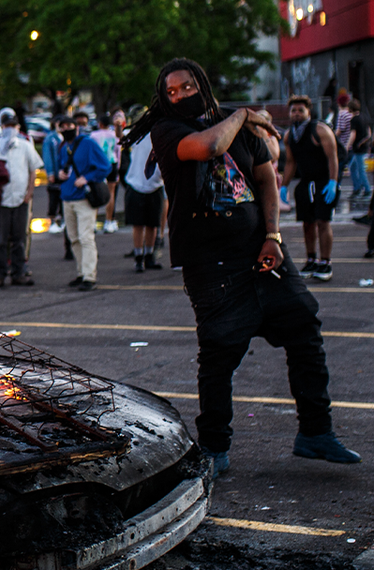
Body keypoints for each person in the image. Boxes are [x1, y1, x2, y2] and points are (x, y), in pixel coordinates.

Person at [126, 57, 358, 477]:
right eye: (171, 91)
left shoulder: (240, 130)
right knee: (219, 353)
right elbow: (209, 147)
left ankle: (316, 432)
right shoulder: (167, 130)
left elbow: (267, 179)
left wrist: (274, 235)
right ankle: (214, 447)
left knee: (304, 326)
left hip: (261, 254)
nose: (180, 95)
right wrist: (244, 116)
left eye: (187, 86)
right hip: (211, 265)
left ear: (204, 85)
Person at [0, 107, 44, 286]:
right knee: (0, 239)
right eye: (6, 125)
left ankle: (18, 272)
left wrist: (29, 192)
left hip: (20, 199)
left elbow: (33, 169)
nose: (10, 129)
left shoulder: (25, 146)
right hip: (1, 200)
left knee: (19, 238)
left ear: (18, 127)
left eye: (12, 125)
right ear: (1, 127)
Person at [281, 95, 340, 281]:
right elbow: (291, 162)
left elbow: (333, 157)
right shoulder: (290, 135)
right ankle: (311, 259)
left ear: (308, 111)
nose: (297, 114)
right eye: (293, 110)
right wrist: (283, 187)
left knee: (323, 221)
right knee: (307, 223)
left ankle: (326, 262)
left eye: (300, 110)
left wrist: (333, 182)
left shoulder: (320, 129)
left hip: (324, 182)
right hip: (305, 183)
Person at [56, 116, 110, 291]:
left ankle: (89, 276)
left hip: (84, 198)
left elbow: (105, 166)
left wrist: (87, 178)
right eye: (62, 127)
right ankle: (81, 272)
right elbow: (62, 167)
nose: (66, 129)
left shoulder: (88, 144)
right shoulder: (63, 147)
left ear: (76, 127)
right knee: (74, 238)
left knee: (86, 237)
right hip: (68, 197)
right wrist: (60, 175)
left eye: (69, 126)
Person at [120, 128, 165, 272]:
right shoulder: (139, 134)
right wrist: (117, 125)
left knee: (153, 224)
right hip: (136, 184)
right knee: (138, 224)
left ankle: (149, 256)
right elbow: (121, 136)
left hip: (155, 185)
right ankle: (138, 257)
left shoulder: (165, 135)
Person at [90, 114, 121, 233]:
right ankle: (109, 221)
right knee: (111, 193)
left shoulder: (94, 135)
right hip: (112, 162)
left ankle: (93, 222)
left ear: (100, 124)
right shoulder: (115, 135)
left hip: (99, 164)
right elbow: (118, 151)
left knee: (96, 191)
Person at [345, 98, 371, 198]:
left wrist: (347, 146)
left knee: (360, 170)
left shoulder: (354, 119)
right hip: (363, 147)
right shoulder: (363, 116)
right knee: (353, 167)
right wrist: (366, 142)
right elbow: (368, 132)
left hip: (358, 149)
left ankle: (366, 189)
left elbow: (353, 134)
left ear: (350, 108)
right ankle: (357, 188)